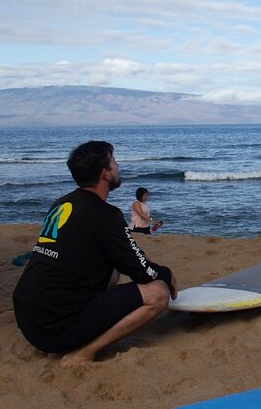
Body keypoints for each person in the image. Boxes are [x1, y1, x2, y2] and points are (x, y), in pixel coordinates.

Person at [13, 141, 178, 367]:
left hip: (29, 318)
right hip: (56, 328)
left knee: (111, 268)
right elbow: (140, 270)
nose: (118, 166)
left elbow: (121, 259)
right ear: (105, 174)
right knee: (158, 292)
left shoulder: (61, 204)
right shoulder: (105, 215)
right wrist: (166, 274)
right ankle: (84, 353)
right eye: (114, 162)